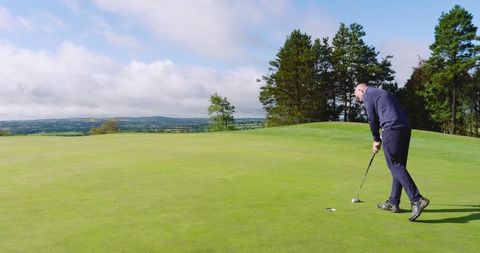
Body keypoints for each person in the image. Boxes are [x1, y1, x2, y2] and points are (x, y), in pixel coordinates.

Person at [354, 83, 429, 222]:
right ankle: (394, 201)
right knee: (399, 166)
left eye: (357, 97)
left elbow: (372, 119)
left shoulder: (368, 95)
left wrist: (376, 139)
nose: (359, 100)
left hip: (392, 128)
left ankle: (417, 199)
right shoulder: (382, 93)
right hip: (404, 128)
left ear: (361, 89)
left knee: (394, 165)